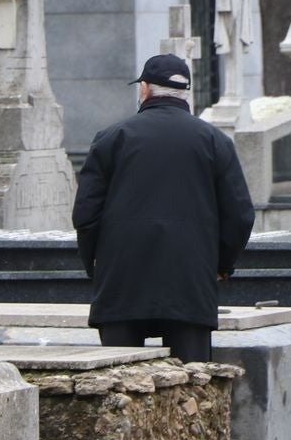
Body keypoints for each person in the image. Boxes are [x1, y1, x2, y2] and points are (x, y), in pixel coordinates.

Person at [72, 53, 255, 363]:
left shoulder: (111, 138)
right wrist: (221, 265)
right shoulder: (214, 141)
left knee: (121, 387)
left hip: (122, 280)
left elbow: (86, 215)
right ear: (186, 93)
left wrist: (97, 266)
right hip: (190, 281)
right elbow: (239, 214)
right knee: (191, 391)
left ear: (144, 89)